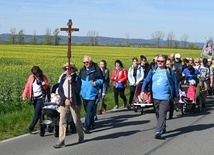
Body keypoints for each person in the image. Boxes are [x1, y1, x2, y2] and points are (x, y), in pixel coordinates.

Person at [140, 54, 179, 139]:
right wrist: (142, 91)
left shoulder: (169, 71)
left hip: (166, 97)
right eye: (158, 61)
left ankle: (158, 131)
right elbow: (146, 81)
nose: (160, 63)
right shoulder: (153, 70)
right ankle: (163, 127)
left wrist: (176, 96)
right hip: (155, 97)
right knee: (157, 113)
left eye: (162, 61)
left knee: (162, 114)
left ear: (165, 62)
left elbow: (175, 84)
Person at [54, 62, 84, 148]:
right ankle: (61, 140)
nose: (67, 70)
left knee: (76, 120)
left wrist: (72, 82)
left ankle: (81, 135)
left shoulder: (77, 78)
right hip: (65, 101)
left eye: (69, 68)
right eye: (66, 69)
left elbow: (77, 91)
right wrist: (65, 99)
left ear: (73, 69)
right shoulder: (63, 77)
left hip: (74, 101)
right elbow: (60, 90)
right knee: (62, 121)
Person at [79, 55, 103, 133]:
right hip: (84, 94)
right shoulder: (82, 70)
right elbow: (78, 80)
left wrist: (97, 82)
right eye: (84, 62)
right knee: (87, 110)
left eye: (87, 62)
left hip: (93, 94)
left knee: (89, 110)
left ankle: (86, 127)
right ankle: (91, 122)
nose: (86, 63)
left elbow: (102, 80)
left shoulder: (96, 70)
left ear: (91, 61)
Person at [22, 66, 50, 133]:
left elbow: (48, 86)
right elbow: (28, 86)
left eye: (36, 73)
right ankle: (43, 126)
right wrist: (24, 95)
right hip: (34, 98)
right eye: (34, 74)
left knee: (37, 113)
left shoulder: (43, 77)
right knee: (40, 113)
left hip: (41, 97)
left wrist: (44, 84)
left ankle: (31, 127)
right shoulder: (31, 77)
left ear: (39, 72)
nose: (35, 75)